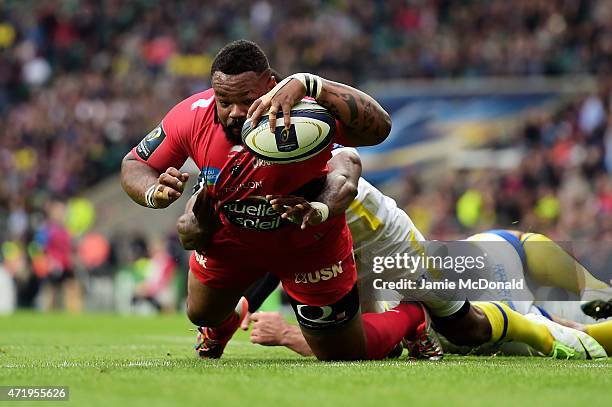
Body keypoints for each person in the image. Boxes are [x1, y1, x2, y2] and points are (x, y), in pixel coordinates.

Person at [121, 40, 435, 361]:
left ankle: (411, 314)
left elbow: (377, 131)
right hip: (234, 238)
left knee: (342, 353)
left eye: (247, 100)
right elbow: (135, 164)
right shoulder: (192, 116)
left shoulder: (304, 115)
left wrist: (313, 83)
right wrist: (152, 191)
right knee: (201, 313)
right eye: (224, 101)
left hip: (308, 242)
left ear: (270, 85)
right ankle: (221, 326)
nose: (235, 113)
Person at [240, 147, 609, 359]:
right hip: (475, 263)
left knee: (552, 328)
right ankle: (595, 291)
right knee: (510, 244)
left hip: (484, 310)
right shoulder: (358, 244)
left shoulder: (353, 288)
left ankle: (563, 321)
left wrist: (287, 334)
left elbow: (348, 344)